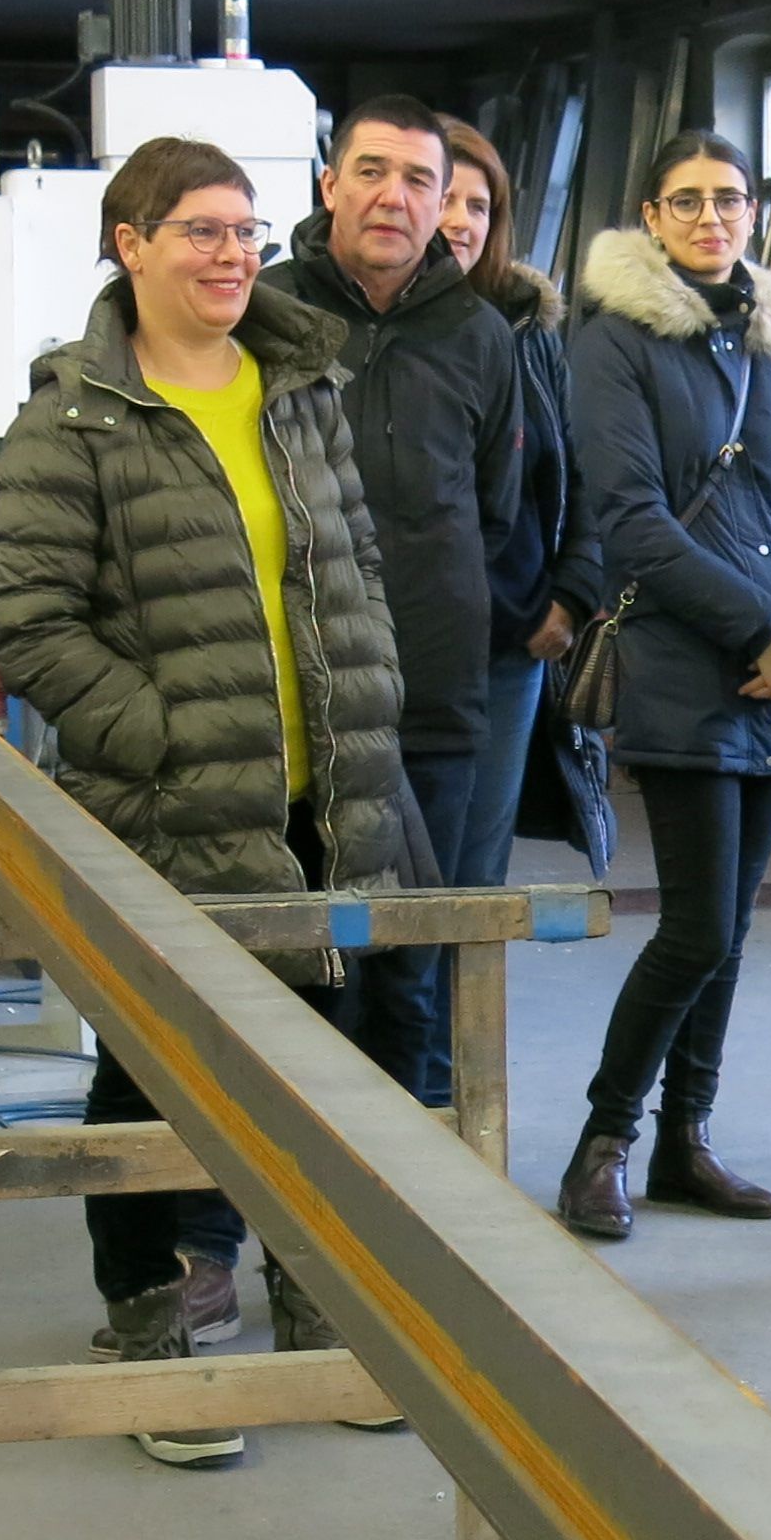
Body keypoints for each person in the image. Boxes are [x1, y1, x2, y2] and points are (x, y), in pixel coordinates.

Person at [0, 135, 421, 1465]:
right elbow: (35, 627)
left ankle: (314, 1314)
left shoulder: (299, 390)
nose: (233, 254)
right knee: (156, 1074)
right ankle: (154, 1334)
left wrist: (372, 691)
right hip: (173, 809)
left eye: (244, 231)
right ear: (131, 243)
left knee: (316, 1075)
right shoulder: (72, 420)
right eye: (199, 231)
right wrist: (168, 738)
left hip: (322, 799)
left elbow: (355, 567)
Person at [556, 131, 771, 1240]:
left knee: (730, 929)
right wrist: (756, 630)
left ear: (756, 212)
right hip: (690, 665)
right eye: (687, 202)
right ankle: (604, 1140)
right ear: (651, 215)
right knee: (696, 926)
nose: (710, 219)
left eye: (729, 199)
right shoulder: (614, 342)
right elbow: (629, 524)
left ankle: (687, 1141)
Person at [258, 96, 521, 1105]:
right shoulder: (264, 312)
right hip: (296, 696)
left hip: (432, 702)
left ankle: (397, 1216)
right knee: (302, 961)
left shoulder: (480, 336)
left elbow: (497, 510)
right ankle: (298, 1217)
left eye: (420, 180)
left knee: (412, 964)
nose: (394, 197)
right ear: (329, 186)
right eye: (372, 170)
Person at [440, 113, 596, 887]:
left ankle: (461, 1017)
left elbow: (578, 473)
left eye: (480, 207)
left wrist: (571, 596)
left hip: (515, 645)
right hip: (402, 645)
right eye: (446, 197)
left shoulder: (530, 330)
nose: (459, 222)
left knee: (478, 875)